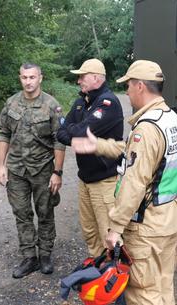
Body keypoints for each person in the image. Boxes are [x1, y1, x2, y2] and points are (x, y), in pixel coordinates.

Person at [71, 60, 177, 305]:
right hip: (169, 217)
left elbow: (134, 183)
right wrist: (99, 145)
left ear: (140, 86)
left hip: (149, 226)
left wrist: (114, 229)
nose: (127, 92)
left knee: (143, 293)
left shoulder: (145, 129)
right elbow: (137, 153)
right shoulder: (170, 119)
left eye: (129, 86)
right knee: (162, 285)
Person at [0, 63, 65, 279]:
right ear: (20, 78)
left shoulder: (51, 105)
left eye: (32, 77)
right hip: (17, 169)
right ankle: (29, 257)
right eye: (24, 77)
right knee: (22, 213)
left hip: (43, 169)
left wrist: (58, 172)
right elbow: (3, 133)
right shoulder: (12, 103)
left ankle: (45, 254)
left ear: (40, 78)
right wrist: (0, 165)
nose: (28, 81)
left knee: (45, 212)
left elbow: (60, 141)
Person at [56, 58, 124, 257]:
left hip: (105, 181)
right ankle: (97, 268)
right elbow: (61, 132)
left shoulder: (108, 102)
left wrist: (73, 130)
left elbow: (79, 130)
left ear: (95, 78)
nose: (78, 81)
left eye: (82, 77)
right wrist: (75, 131)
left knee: (108, 233)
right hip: (84, 179)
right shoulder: (81, 102)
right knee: (89, 232)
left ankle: (114, 279)